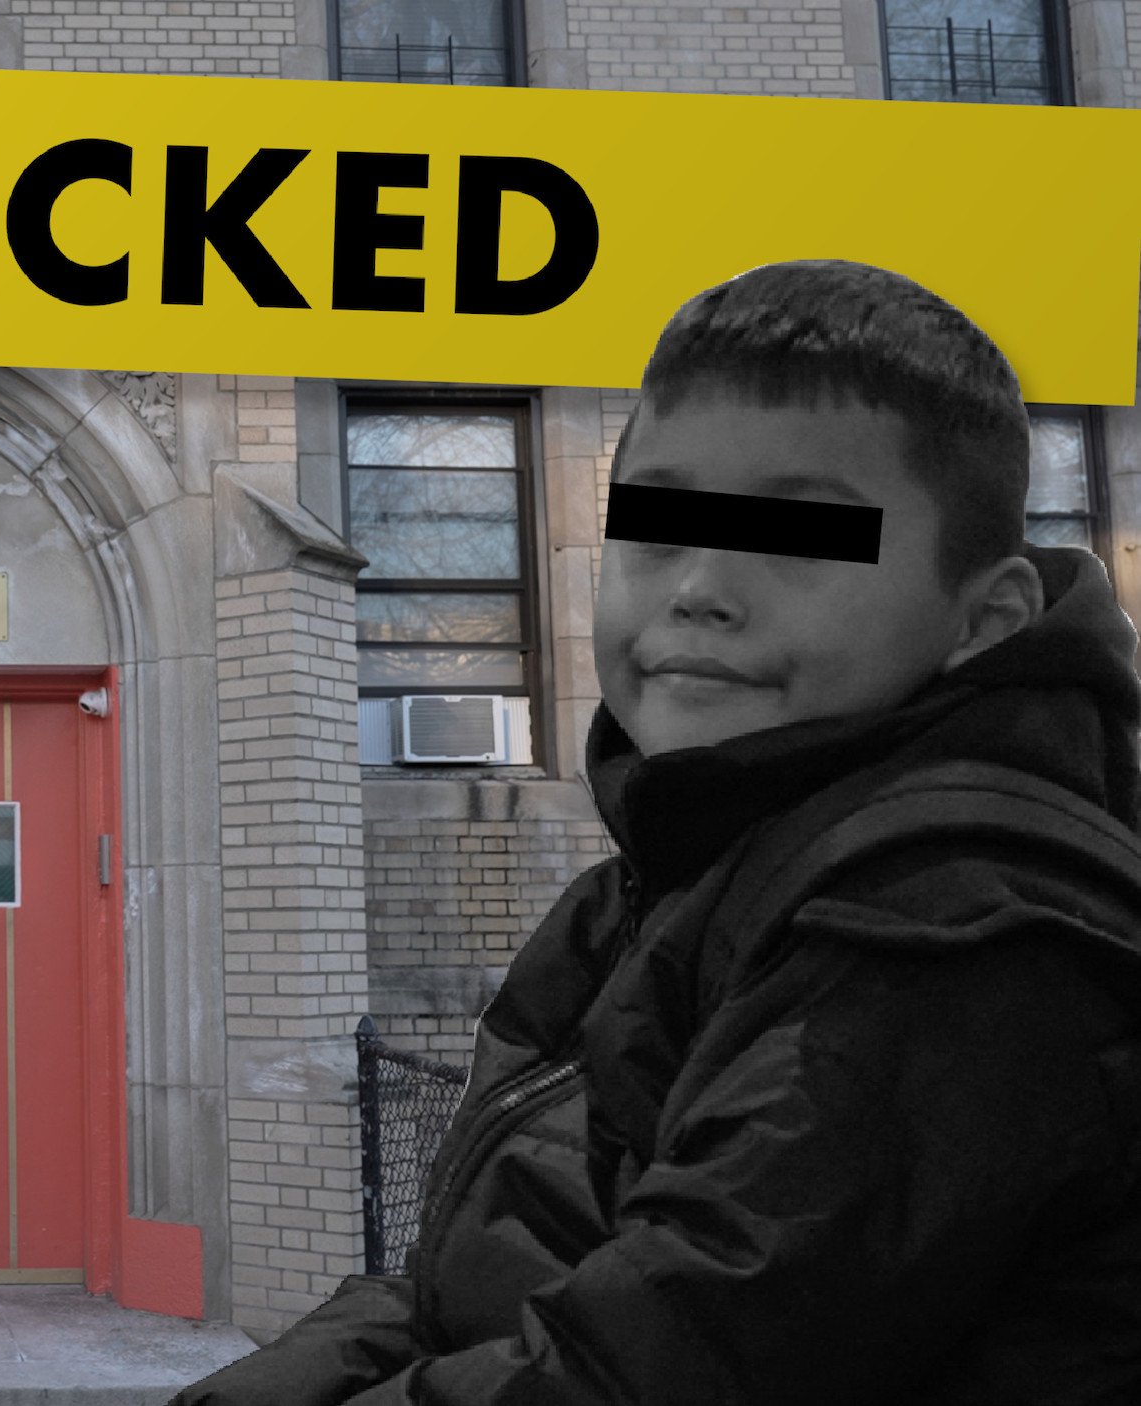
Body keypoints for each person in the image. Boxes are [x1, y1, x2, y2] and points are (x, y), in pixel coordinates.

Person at [169, 260, 1141, 1405]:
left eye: (799, 538)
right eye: (657, 526)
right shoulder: (686, 862)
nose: (699, 589)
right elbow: (473, 1281)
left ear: (985, 617)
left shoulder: (958, 927)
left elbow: (647, 1362)